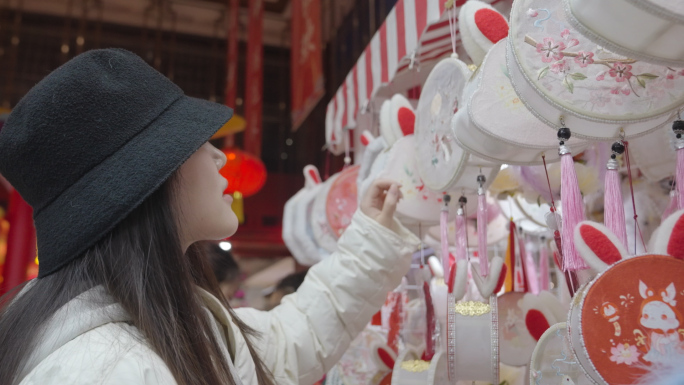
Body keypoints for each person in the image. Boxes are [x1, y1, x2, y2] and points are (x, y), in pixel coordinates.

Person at [0, 49, 419, 385]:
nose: (218, 155)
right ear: (148, 180)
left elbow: (285, 344)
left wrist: (373, 233)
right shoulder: (106, 370)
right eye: (195, 140)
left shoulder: (170, 322)